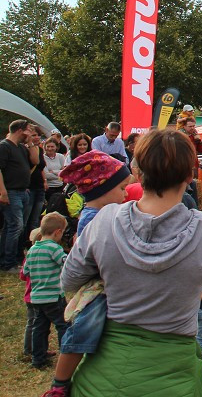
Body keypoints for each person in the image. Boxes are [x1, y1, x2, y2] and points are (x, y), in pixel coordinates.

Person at [59, 129, 202, 397]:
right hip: (175, 379)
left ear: (137, 173)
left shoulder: (105, 218)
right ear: (189, 175)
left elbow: (69, 280)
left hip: (99, 380)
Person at [45, 150, 131, 396]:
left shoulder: (103, 212)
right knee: (83, 330)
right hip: (97, 288)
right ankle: (60, 383)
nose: (125, 194)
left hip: (106, 282)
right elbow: (89, 258)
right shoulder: (93, 218)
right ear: (102, 189)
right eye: (122, 188)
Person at [24, 212, 70, 369]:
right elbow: (68, 264)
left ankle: (38, 358)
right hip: (54, 296)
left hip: (37, 297)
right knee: (63, 325)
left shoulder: (32, 250)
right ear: (57, 232)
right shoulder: (54, 248)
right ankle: (66, 355)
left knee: (40, 328)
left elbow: (25, 272)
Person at [1, 119, 41, 273]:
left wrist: (31, 143)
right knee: (15, 226)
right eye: (28, 130)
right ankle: (8, 263)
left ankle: (10, 258)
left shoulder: (21, 148)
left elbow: (35, 161)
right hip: (11, 192)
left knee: (13, 227)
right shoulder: (4, 147)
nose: (31, 133)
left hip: (23, 192)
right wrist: (3, 191)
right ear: (20, 130)